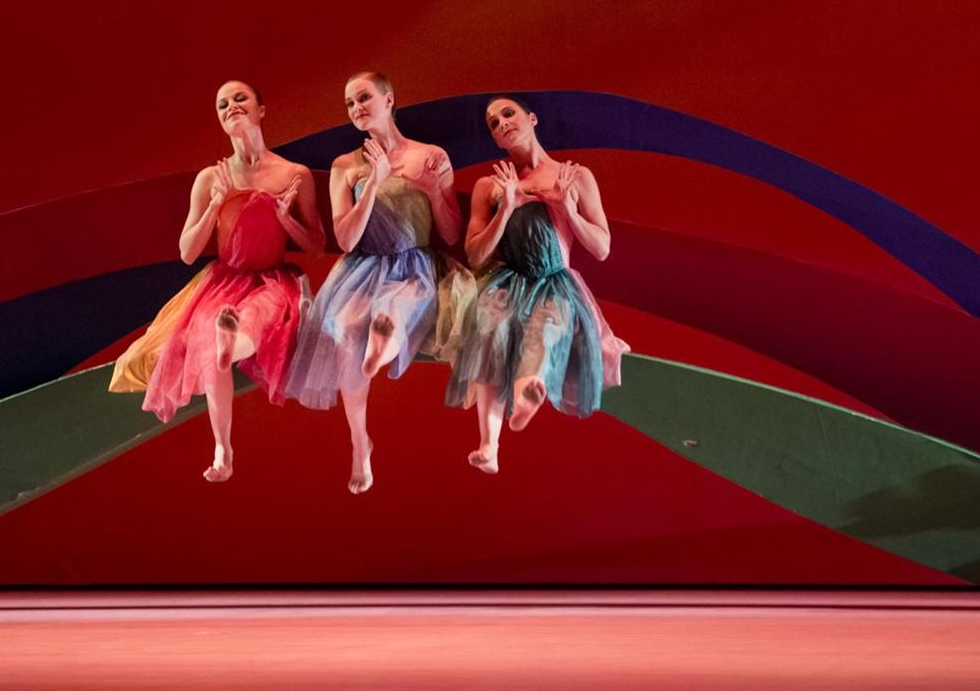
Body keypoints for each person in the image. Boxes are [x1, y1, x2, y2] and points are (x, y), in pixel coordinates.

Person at [110, 80, 325, 482]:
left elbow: (315, 244)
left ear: (261, 109)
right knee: (211, 333)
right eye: (223, 104)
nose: (231, 107)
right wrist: (214, 205)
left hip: (271, 281)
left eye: (240, 99)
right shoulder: (211, 177)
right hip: (224, 282)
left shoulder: (293, 174)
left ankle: (230, 347)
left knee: (253, 322)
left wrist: (286, 219)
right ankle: (223, 447)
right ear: (220, 120)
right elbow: (187, 252)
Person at [284, 71, 474, 493]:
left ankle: (379, 346)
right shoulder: (344, 167)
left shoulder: (430, 155)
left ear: (389, 100)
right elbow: (347, 239)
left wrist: (434, 190)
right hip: (364, 266)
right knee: (345, 325)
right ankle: (359, 441)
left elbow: (449, 234)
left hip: (415, 266)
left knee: (393, 309)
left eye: (364, 98)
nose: (357, 108)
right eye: (350, 103)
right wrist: (372, 180)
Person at [446, 95, 627, 474]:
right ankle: (489, 444)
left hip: (554, 280)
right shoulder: (490, 186)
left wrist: (567, 208)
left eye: (508, 114)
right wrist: (506, 208)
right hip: (508, 280)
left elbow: (602, 248)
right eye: (493, 123)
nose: (502, 123)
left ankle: (529, 391)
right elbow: (476, 255)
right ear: (495, 140)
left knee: (545, 328)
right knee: (490, 327)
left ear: (531, 118)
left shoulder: (574, 176)